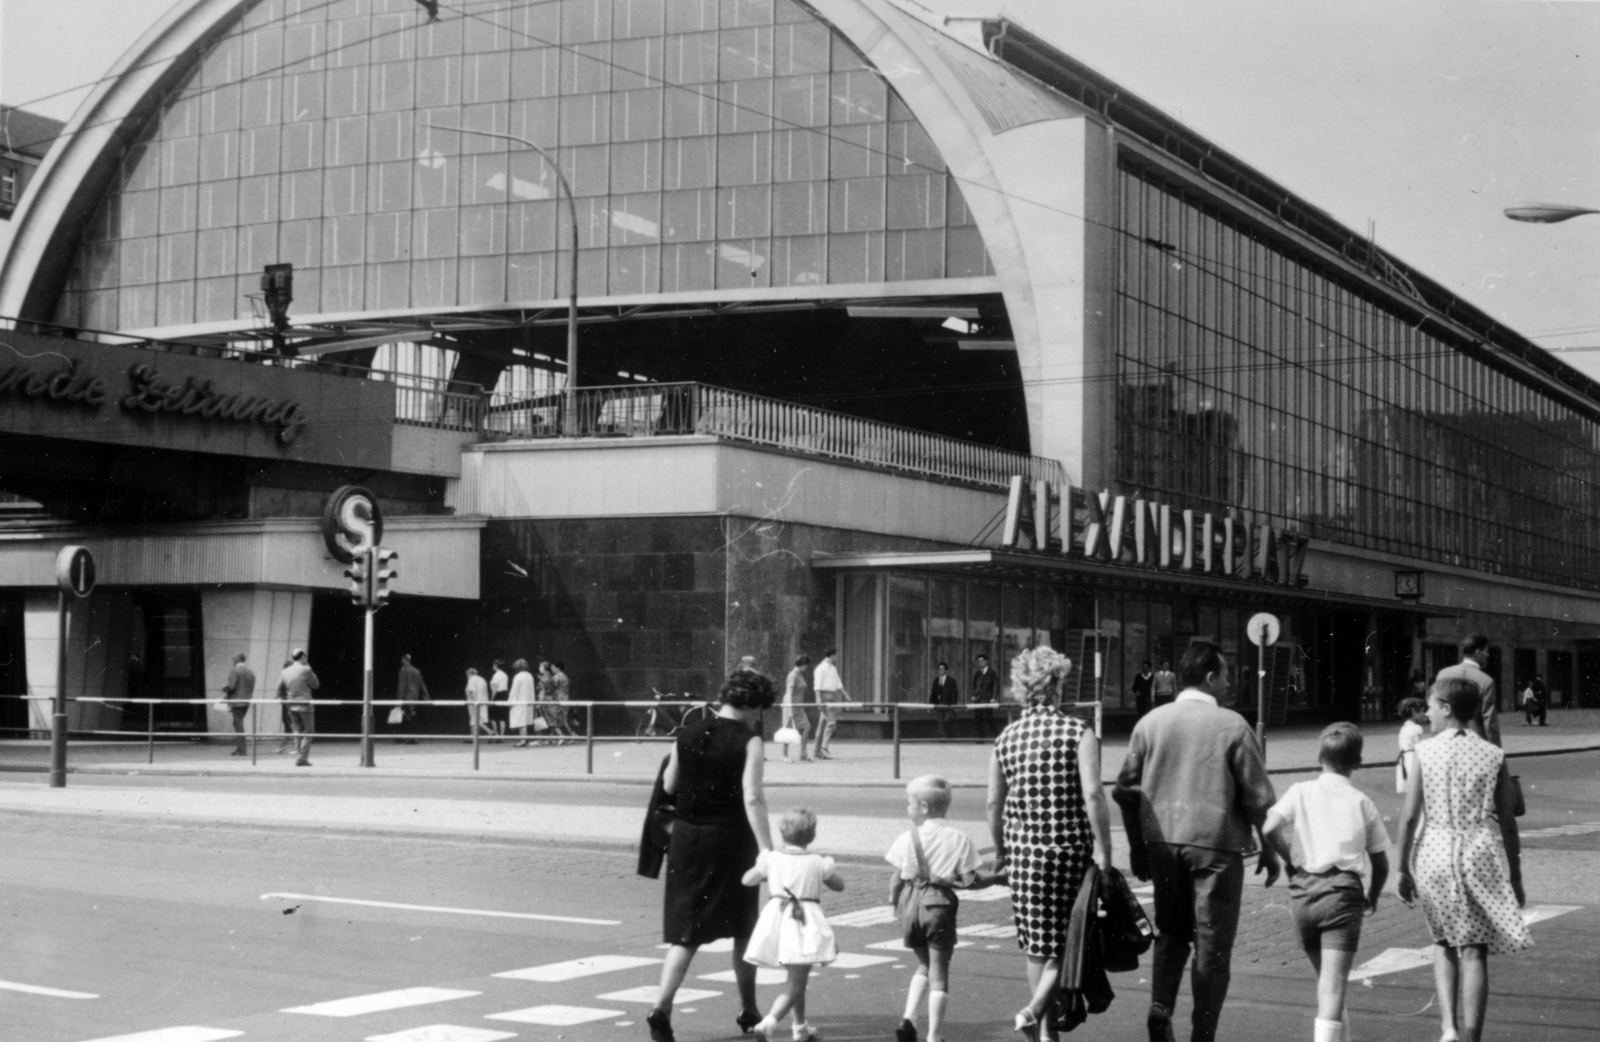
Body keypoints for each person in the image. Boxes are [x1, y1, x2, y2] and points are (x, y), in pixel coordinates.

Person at [1115, 640, 1280, 1042]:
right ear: (1210, 678)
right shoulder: (1233, 725)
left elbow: (1124, 789)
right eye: (1225, 676)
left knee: (1171, 932)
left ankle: (1160, 1005)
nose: (1228, 685)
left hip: (1162, 843)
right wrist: (1272, 851)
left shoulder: (1151, 723)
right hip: (1216, 846)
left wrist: (1139, 848)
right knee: (1213, 944)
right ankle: (1202, 1033)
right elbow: (1259, 799)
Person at [989, 645, 1114, 1042]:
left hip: (1023, 854)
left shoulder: (1006, 737)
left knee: (1037, 945)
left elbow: (994, 802)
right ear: (1057, 684)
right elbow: (1093, 795)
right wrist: (1105, 849)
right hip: (1069, 851)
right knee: (1069, 941)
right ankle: (1032, 1012)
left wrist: (1001, 852)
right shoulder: (1078, 732)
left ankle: (1046, 1034)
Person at [1396, 677, 1530, 1042]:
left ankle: (1448, 1028)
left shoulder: (1425, 751)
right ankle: (1472, 1036)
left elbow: (1409, 816)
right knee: (1474, 950)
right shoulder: (1493, 754)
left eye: (1431, 706)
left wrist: (1400, 868)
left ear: (1447, 709)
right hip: (1477, 853)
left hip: (1434, 853)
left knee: (1442, 942)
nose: (1427, 713)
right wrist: (1515, 877)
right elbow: (1507, 822)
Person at [648, 669, 776, 1042]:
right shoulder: (749, 741)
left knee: (686, 932)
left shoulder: (686, 732)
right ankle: (749, 1008)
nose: (758, 717)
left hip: (687, 839)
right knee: (743, 928)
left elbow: (670, 784)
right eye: (759, 710)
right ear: (750, 703)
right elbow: (753, 798)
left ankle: (662, 1007)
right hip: (731, 841)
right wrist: (767, 849)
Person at [1261, 723, 1391, 1042]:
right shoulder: (1362, 802)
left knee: (1327, 985)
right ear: (1357, 762)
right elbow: (1381, 862)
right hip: (1342, 896)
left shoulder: (1300, 791)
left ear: (1320, 756)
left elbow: (1268, 828)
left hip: (1303, 895)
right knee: (1333, 987)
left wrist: (1289, 861)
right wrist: (1372, 896)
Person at [889, 775, 995, 1042]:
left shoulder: (906, 838)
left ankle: (908, 1020)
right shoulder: (957, 838)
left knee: (924, 963)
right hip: (938, 907)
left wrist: (895, 906)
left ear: (924, 807)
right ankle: (934, 1037)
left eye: (909, 803)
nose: (907, 808)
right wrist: (999, 878)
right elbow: (971, 880)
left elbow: (896, 880)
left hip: (911, 906)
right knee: (939, 971)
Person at [741, 807, 844, 1042]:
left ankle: (800, 1028)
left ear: (781, 833)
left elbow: (747, 880)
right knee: (796, 983)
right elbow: (839, 885)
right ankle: (769, 1022)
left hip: (777, 922)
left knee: (796, 980)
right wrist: (825, 876)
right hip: (804, 924)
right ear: (812, 836)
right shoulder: (817, 862)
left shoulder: (772, 858)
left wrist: (768, 873)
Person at [1436, 634, 1500, 746]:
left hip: (1445, 741)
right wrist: (1496, 752)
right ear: (1478, 652)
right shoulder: (1486, 681)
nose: (1488, 655)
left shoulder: (1443, 674)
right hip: (1475, 744)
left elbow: (1436, 709)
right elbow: (1489, 722)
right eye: (1486, 651)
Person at [277, 649, 318, 768]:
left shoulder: (285, 671)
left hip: (291, 705)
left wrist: (286, 699)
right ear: (303, 656)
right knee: (309, 732)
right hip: (305, 705)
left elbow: (278, 690)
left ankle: (299, 756)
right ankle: (302, 758)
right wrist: (308, 666)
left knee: (297, 731)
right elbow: (316, 684)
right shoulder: (306, 669)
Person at [810, 649, 849, 761]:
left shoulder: (833, 668)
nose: (836, 658)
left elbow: (838, 683)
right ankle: (824, 747)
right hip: (824, 696)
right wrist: (819, 701)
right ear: (831, 655)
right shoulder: (820, 669)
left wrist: (845, 695)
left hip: (831, 696)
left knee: (822, 725)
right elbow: (817, 687)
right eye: (835, 656)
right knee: (831, 722)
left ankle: (816, 752)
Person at [221, 652, 256, 756]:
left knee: (238, 724)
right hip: (246, 701)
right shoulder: (250, 671)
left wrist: (225, 689)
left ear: (239, 659)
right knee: (238, 723)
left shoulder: (234, 670)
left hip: (236, 701)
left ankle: (242, 749)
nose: (233, 660)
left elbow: (231, 686)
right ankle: (241, 748)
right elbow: (251, 685)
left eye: (234, 658)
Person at [781, 655, 814, 763]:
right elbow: (789, 693)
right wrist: (790, 710)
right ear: (801, 664)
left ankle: (803, 753)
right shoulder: (793, 675)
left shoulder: (800, 675)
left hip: (798, 706)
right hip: (790, 705)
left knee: (807, 727)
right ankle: (785, 755)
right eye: (806, 665)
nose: (807, 667)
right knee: (787, 730)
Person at [1395, 697, 1427, 795]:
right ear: (1413, 711)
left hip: (1404, 760)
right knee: (1418, 787)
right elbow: (1419, 747)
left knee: (1410, 789)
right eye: (1422, 711)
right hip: (1413, 760)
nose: (1424, 714)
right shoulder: (1415, 728)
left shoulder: (1404, 728)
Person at [396, 654, 431, 744]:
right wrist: (426, 697)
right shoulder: (416, 670)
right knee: (411, 715)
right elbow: (422, 685)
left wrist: (399, 700)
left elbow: (402, 686)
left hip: (407, 696)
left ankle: (410, 738)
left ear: (404, 659)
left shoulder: (403, 669)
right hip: (415, 696)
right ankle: (409, 737)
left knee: (408, 716)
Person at [508, 658, 539, 747]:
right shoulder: (529, 676)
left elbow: (514, 691)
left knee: (520, 722)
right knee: (524, 722)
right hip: (528, 701)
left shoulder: (518, 677)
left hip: (519, 701)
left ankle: (523, 741)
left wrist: (510, 702)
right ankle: (524, 739)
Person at [970, 654, 999, 737]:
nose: (980, 663)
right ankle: (980, 739)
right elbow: (975, 686)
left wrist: (993, 698)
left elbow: (995, 686)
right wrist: (974, 695)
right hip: (978, 699)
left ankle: (998, 735)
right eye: (978, 661)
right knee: (978, 718)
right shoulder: (977, 674)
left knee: (988, 717)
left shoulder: (992, 673)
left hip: (988, 699)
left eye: (982, 661)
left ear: (986, 661)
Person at [927, 662, 958, 739]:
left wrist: (953, 705)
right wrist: (931, 703)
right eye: (939, 668)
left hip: (947, 704)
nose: (940, 670)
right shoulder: (936, 680)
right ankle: (943, 737)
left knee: (947, 720)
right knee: (940, 721)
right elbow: (933, 692)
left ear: (946, 670)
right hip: (938, 703)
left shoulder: (951, 680)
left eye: (942, 668)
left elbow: (954, 693)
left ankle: (949, 735)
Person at [464, 667, 492, 739]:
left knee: (475, 719)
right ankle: (472, 737)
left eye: (467, 674)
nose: (466, 675)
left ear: (470, 673)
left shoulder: (471, 679)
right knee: (476, 719)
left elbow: (473, 691)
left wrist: (474, 702)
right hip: (483, 701)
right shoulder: (482, 679)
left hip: (475, 701)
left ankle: (490, 732)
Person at [489, 658, 510, 735]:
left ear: (496, 665)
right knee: (502, 717)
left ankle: (496, 734)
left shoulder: (496, 675)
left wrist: (491, 700)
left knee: (492, 716)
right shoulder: (505, 675)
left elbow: (494, 689)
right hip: (504, 695)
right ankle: (502, 735)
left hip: (498, 695)